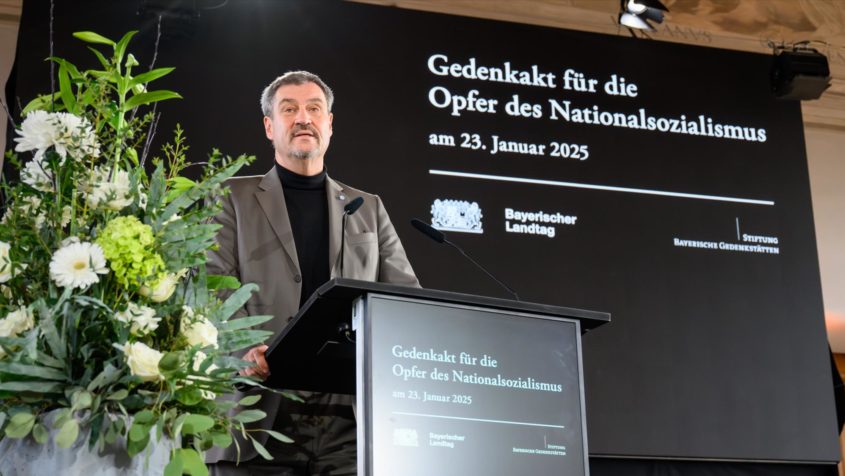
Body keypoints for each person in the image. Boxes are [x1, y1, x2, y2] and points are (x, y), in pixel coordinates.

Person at [207, 71, 419, 475]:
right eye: (289, 109)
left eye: (314, 109)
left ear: (329, 123)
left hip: (346, 420)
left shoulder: (367, 208)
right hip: (257, 413)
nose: (303, 118)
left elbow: (404, 299)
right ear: (270, 126)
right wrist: (242, 351)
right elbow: (210, 288)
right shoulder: (232, 198)